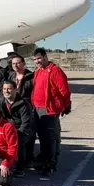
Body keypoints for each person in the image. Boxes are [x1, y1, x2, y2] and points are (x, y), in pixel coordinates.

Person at [31, 48, 71, 177]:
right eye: (35, 59)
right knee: (42, 138)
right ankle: (43, 160)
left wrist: (66, 105)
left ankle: (50, 164)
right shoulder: (38, 71)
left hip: (49, 110)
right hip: (37, 109)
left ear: (45, 57)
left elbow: (64, 91)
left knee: (50, 139)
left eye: (39, 58)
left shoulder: (55, 71)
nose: (37, 61)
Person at [0, 80, 35, 177]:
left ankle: (20, 168)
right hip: (8, 129)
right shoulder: (1, 101)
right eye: (4, 89)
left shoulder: (24, 104)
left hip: (23, 130)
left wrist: (16, 134)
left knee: (18, 142)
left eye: (9, 89)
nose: (6, 91)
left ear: (15, 90)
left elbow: (26, 123)